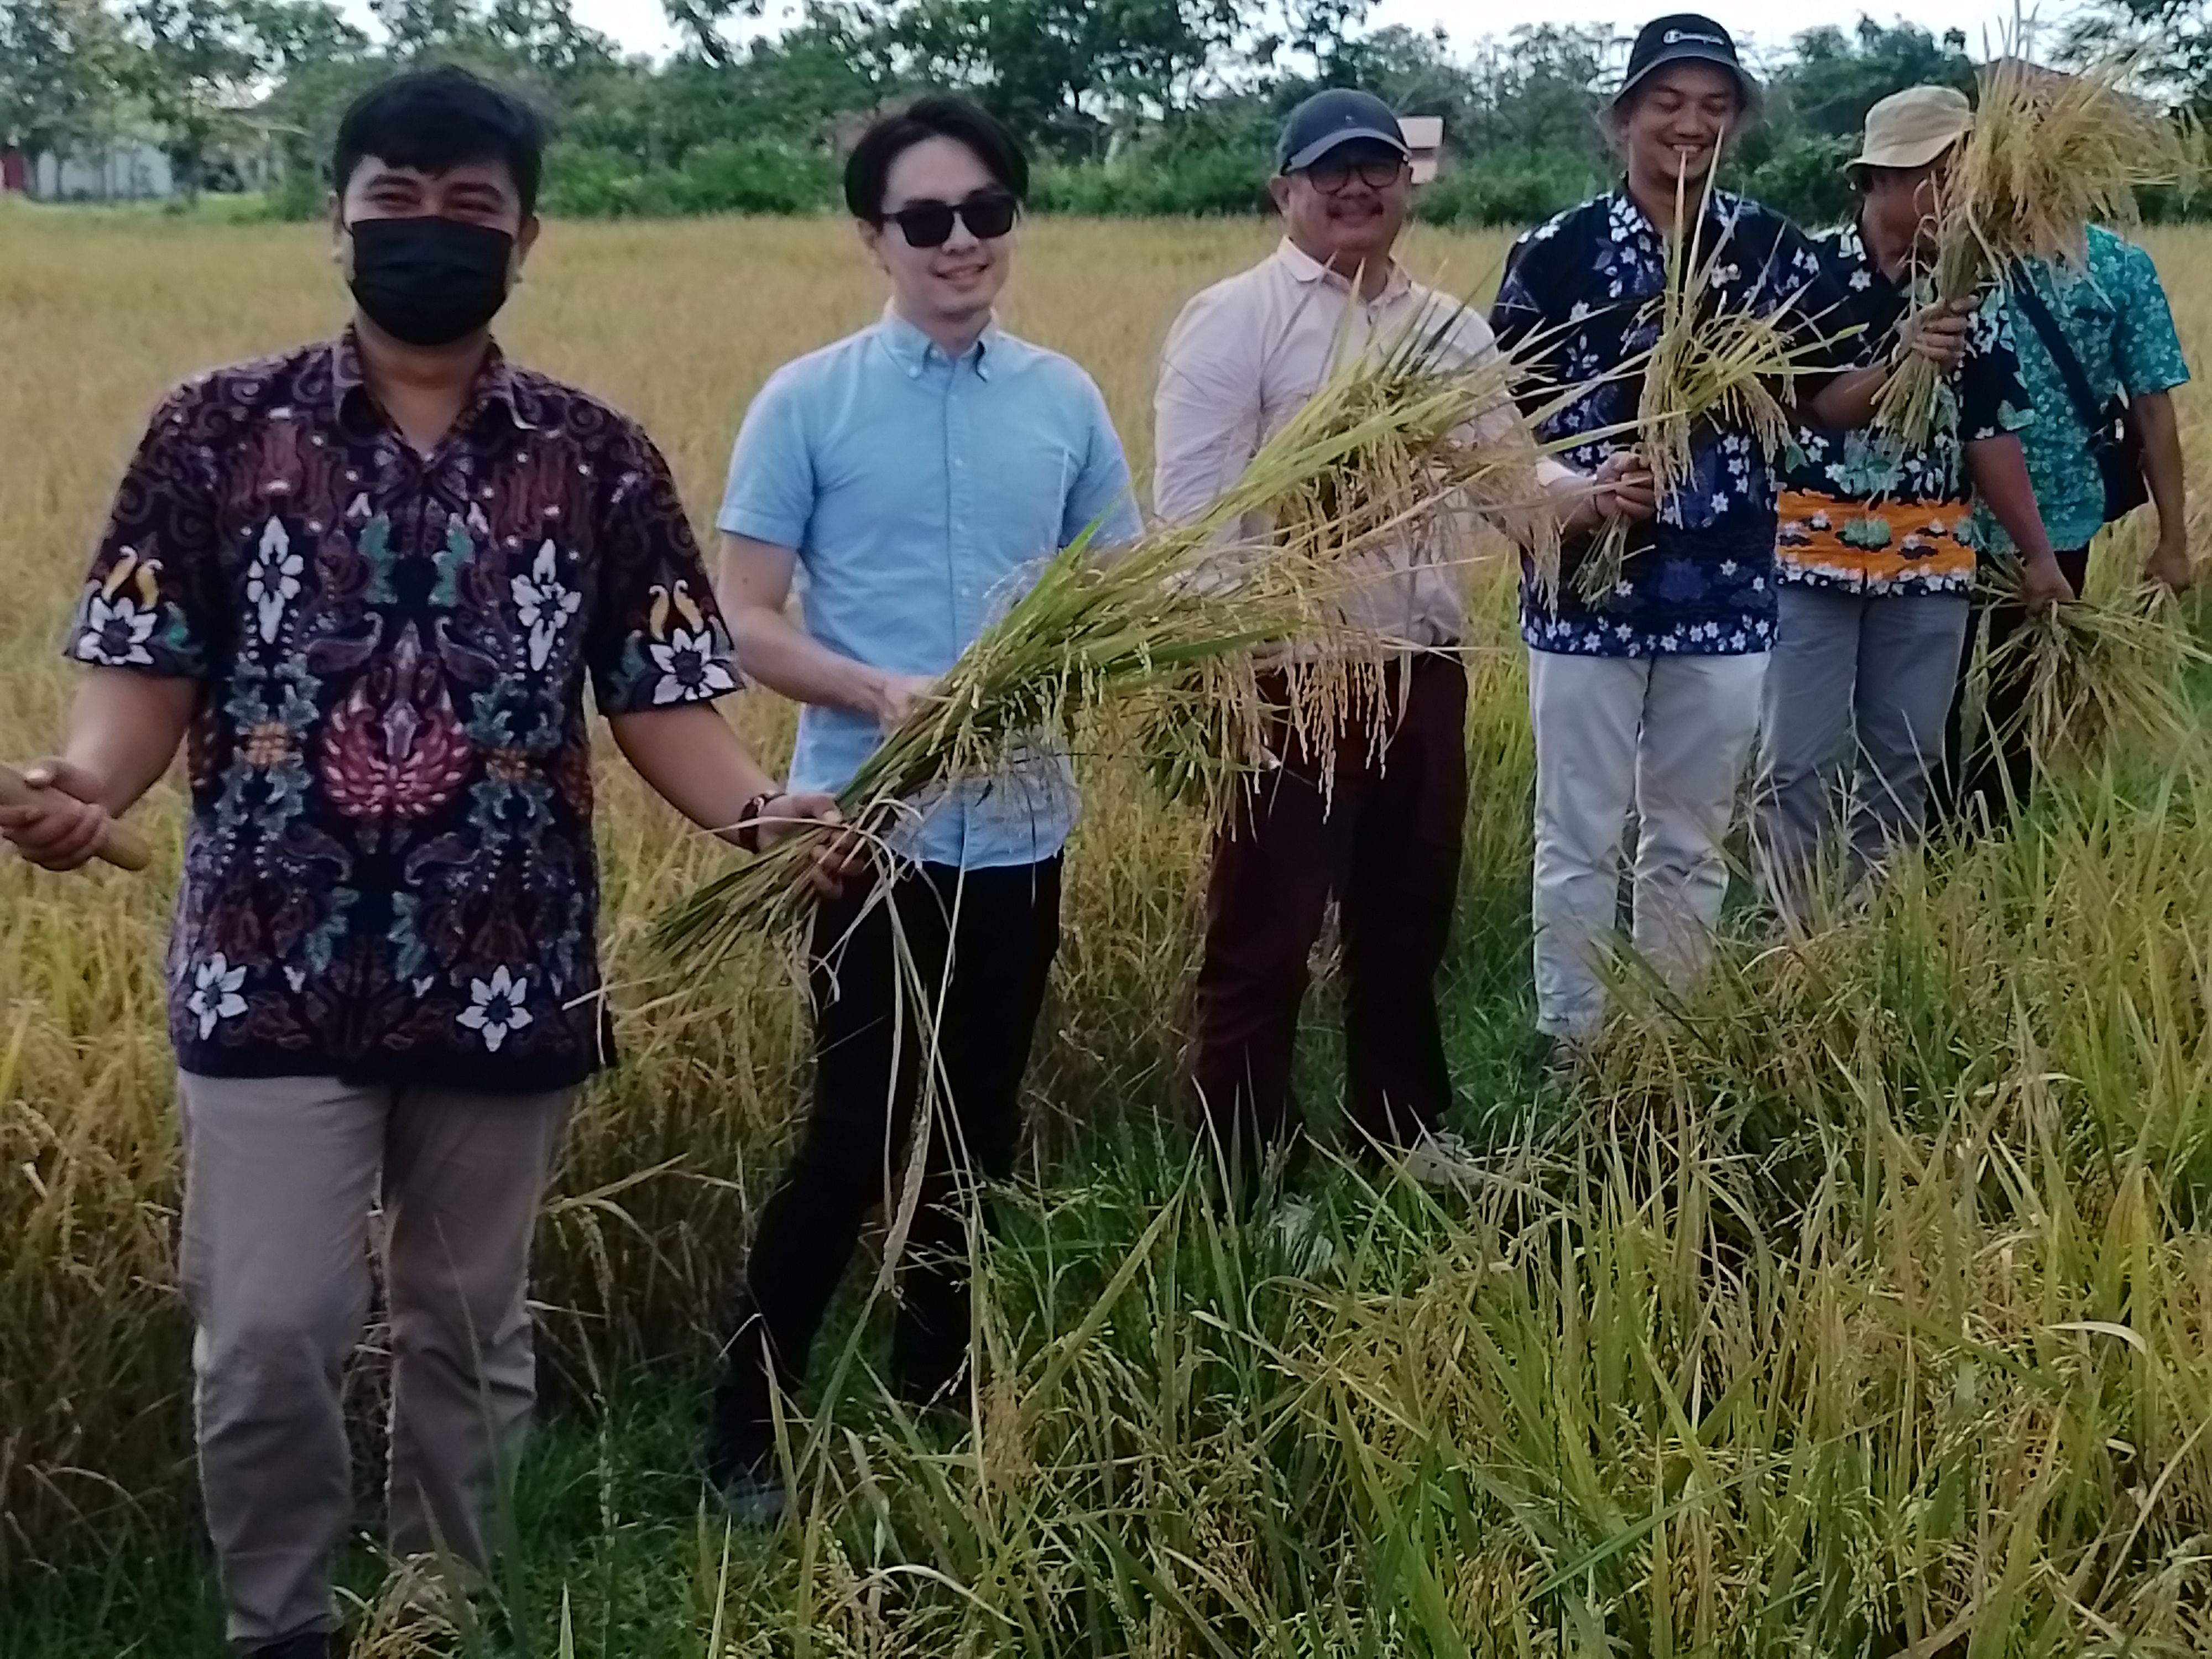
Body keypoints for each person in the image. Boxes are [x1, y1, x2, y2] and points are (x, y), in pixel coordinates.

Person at [0, 67, 840, 1659]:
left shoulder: (596, 457)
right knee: (266, 1337)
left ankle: (446, 1616)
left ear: (526, 238)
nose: (430, 235)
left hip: (509, 963)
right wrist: (82, 785)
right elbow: (142, 671)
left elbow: (664, 698)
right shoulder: (212, 431)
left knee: (467, 1332)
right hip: (266, 962)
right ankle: (284, 1626)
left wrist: (763, 817)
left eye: (471, 211)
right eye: (397, 202)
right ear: (337, 219)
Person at [704, 96, 1141, 1522]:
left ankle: (937, 1388)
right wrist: (874, 687)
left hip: (1020, 827)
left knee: (978, 1127)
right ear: (873, 238)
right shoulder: (808, 400)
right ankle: (743, 1430)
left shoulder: (1062, 400)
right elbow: (744, 621)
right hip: (859, 835)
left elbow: (1114, 591)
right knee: (851, 1134)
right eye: (927, 221)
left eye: (985, 214)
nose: (962, 243)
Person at [1154, 88, 1655, 1206]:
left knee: (1404, 919)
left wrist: (1591, 495)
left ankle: (1404, 1133)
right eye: (1328, 171)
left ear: (1405, 186)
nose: (1354, 189)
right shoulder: (1235, 321)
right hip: (1284, 670)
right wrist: (1223, 668)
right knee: (1265, 939)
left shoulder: (1444, 330)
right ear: (1283, 189)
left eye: (1375, 169)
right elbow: (1190, 520)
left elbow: (1504, 482)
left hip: (1416, 665)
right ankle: (1248, 1178)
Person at [1489, 15, 1873, 1059]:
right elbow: (1494, 426)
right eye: (1667, 102)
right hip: (1583, 583)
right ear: (1624, 116)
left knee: (1693, 835)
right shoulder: (1556, 252)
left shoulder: (1773, 250)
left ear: (1737, 121)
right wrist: (1581, 485)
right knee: (1577, 834)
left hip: (1729, 585)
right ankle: (1573, 1039)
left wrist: (1913, 360)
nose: (1689, 125)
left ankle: (1673, 1031)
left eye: (1713, 106)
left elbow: (1822, 400)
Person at [1755, 85, 2068, 925]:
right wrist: (1903, 360)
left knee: (1906, 759)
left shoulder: (1975, 291)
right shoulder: (1804, 274)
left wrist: (2038, 555)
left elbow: (1989, 432)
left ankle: (1872, 939)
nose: (1961, 196)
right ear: (1888, 180)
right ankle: (1792, 936)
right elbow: (1809, 404)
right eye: (1944, 174)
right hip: (1810, 558)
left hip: (1930, 565)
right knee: (1796, 763)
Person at [1941, 186, 2195, 828]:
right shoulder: (1951, 254)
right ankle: (1922, 840)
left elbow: (2152, 405)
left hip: (2059, 516)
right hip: (1939, 513)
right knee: (1924, 700)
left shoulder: (2116, 267)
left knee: (2022, 701)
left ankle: (1991, 841)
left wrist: (2172, 539)